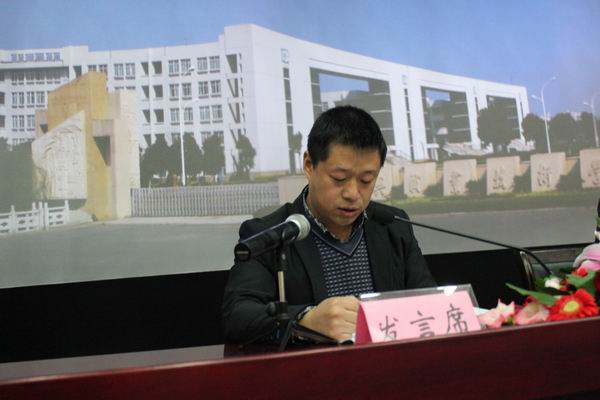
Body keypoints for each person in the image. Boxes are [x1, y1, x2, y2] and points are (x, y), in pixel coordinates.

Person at [222, 105, 436, 344]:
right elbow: (237, 316)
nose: (353, 193)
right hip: (312, 367)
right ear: (309, 164)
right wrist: (305, 318)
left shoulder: (393, 227)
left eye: (366, 180)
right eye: (339, 178)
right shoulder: (270, 234)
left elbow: (429, 305)